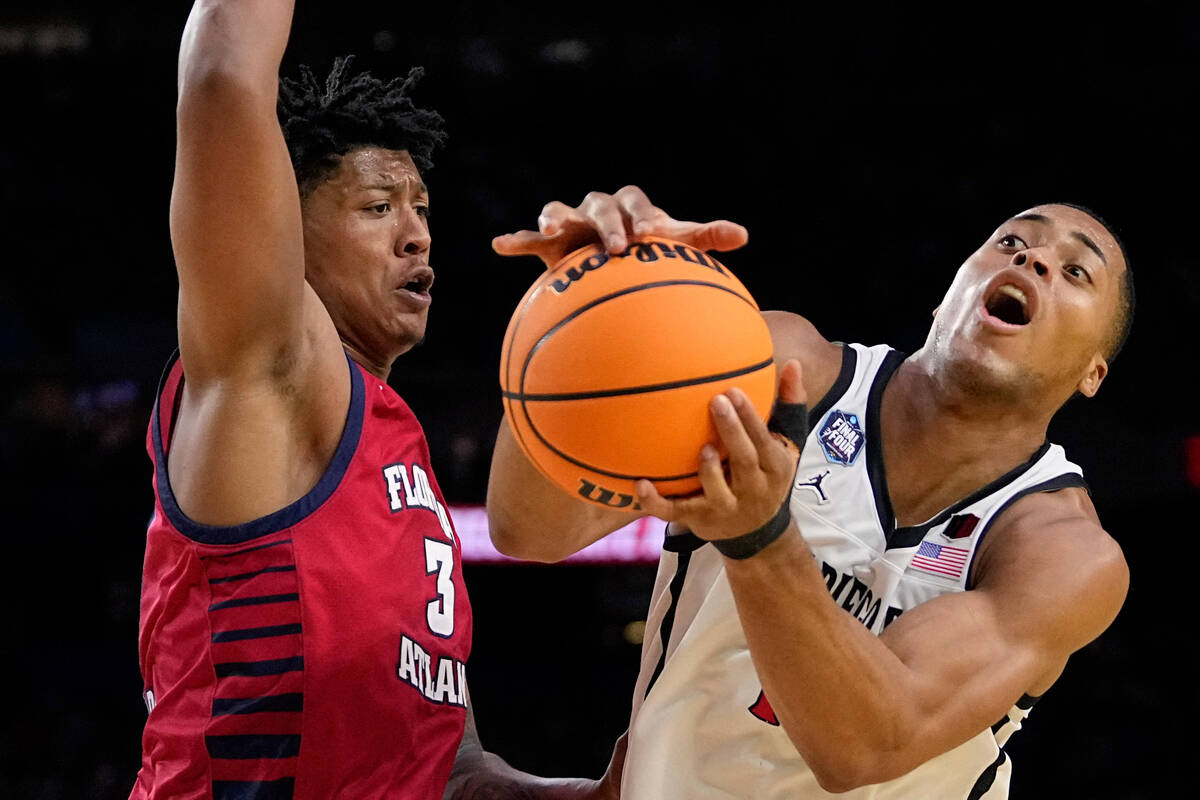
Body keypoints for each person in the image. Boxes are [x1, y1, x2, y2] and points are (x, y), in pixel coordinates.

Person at [132, 2, 631, 798]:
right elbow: (223, 77)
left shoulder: (402, 460)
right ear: (284, 231)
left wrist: (596, 793)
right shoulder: (268, 362)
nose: (417, 234)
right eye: (377, 208)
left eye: (421, 209)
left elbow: (452, 769)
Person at [488, 188, 1132, 798]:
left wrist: (760, 538)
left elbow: (863, 747)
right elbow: (533, 528)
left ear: (1093, 371)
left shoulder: (1065, 555)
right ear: (946, 298)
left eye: (1077, 272)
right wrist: (580, 306)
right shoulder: (789, 367)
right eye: (1012, 241)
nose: (1035, 258)